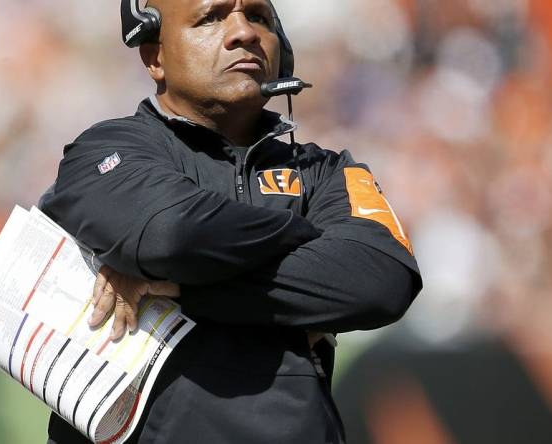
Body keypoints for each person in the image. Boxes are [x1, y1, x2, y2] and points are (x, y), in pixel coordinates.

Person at [40, 0, 421, 442]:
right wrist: (301, 237)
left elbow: (383, 280)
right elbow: (171, 235)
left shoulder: (325, 169)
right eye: (212, 17)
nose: (244, 32)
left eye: (258, 16)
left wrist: (178, 287)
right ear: (155, 56)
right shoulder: (105, 150)